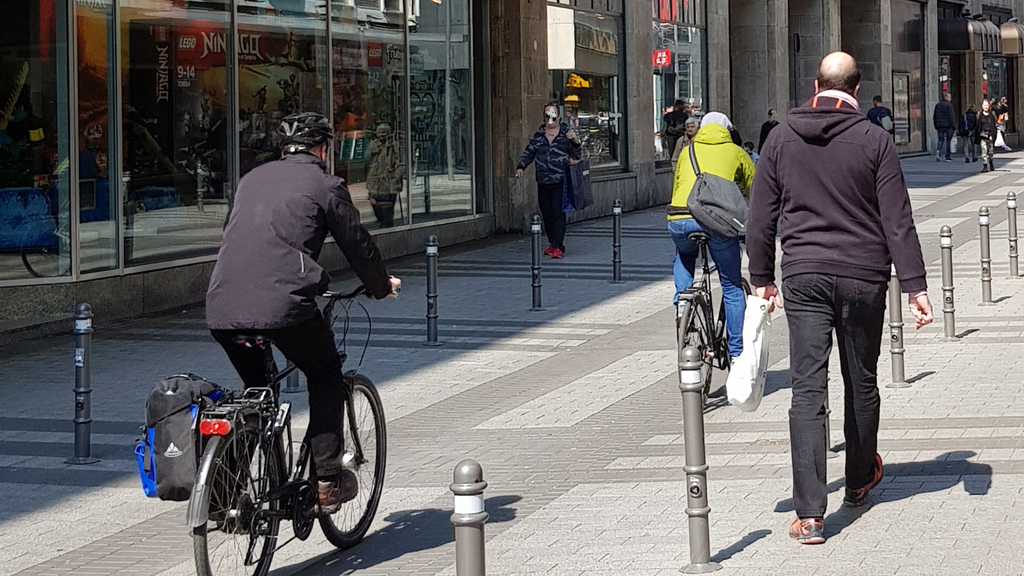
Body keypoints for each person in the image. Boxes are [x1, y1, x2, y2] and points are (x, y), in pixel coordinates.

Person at [747, 52, 933, 545]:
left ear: (816, 85)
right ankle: (857, 480)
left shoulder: (782, 137)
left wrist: (762, 276)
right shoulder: (875, 139)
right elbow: (897, 217)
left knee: (807, 387)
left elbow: (761, 217)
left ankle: (809, 515)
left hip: (804, 274)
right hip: (862, 274)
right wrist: (915, 286)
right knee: (861, 378)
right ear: (856, 88)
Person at [206, 112, 402, 514]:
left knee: (256, 395)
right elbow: (357, 243)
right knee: (326, 374)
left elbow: (241, 235)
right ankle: (327, 481)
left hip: (222, 305)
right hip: (284, 305)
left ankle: (223, 500)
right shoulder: (325, 184)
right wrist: (381, 286)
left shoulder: (251, 179)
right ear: (324, 149)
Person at [667, 111, 755, 364]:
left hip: (679, 219)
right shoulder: (736, 152)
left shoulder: (687, 151)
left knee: (684, 253)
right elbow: (755, 188)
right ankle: (737, 354)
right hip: (715, 223)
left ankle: (683, 303)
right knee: (731, 285)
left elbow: (677, 187)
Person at [516, 103, 582, 259]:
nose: (550, 118)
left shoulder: (566, 134)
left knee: (558, 213)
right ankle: (552, 243)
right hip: (543, 180)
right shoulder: (538, 136)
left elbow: (577, 155)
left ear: (558, 117)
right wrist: (521, 167)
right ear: (544, 118)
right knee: (547, 214)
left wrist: (576, 142)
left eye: (553, 115)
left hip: (560, 180)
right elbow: (529, 153)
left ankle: (559, 246)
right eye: (547, 115)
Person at [933, 92, 955, 162]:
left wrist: (936, 125)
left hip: (939, 125)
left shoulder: (938, 105)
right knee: (948, 141)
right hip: (948, 126)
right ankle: (947, 156)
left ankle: (938, 151)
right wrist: (954, 126)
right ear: (946, 97)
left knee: (940, 140)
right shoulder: (949, 106)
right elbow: (952, 117)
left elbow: (935, 116)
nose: (950, 99)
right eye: (950, 97)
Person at [978, 99, 999, 173]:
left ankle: (991, 162)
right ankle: (985, 166)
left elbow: (995, 123)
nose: (985, 107)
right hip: (983, 135)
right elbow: (978, 125)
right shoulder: (979, 114)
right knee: (984, 151)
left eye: (987, 105)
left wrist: (996, 128)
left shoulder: (992, 114)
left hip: (990, 135)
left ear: (989, 106)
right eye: (984, 105)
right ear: (982, 106)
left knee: (990, 152)